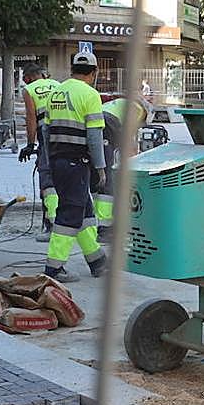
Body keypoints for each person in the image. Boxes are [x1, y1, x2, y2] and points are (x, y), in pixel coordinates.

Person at [42, 52, 108, 282]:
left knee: (85, 212)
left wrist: (49, 160)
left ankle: (96, 260)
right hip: (77, 163)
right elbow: (94, 135)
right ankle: (54, 268)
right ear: (93, 72)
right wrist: (101, 167)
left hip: (59, 162)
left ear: (72, 70)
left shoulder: (56, 92)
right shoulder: (90, 95)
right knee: (70, 214)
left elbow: (46, 130)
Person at [95, 95, 148, 242]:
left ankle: (99, 223)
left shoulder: (119, 103)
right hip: (109, 123)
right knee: (108, 176)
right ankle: (106, 229)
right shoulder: (138, 110)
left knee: (101, 170)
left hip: (96, 121)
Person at [18, 63, 60, 241]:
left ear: (27, 78)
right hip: (65, 133)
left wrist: (30, 144)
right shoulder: (58, 85)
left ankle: (51, 224)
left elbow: (31, 118)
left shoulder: (29, 90)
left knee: (47, 179)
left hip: (46, 135)